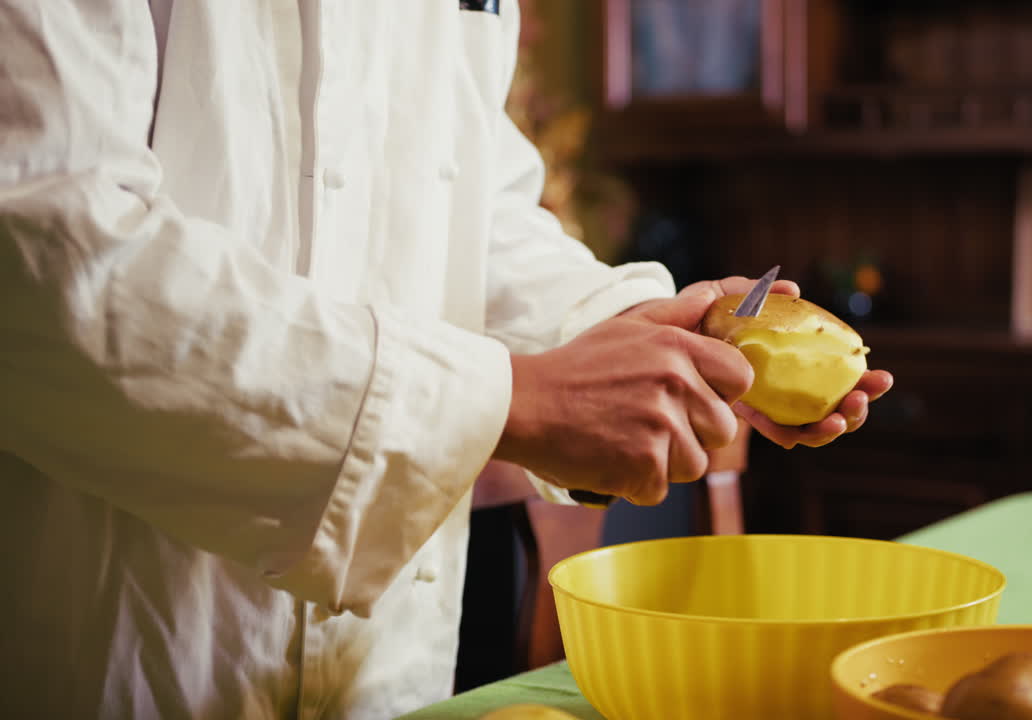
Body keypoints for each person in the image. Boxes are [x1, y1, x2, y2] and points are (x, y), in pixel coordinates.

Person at [0, 2, 893, 718]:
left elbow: (475, 218)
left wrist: (636, 331)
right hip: (106, 638)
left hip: (383, 670)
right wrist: (510, 403)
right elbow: (44, 249)